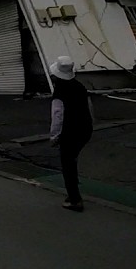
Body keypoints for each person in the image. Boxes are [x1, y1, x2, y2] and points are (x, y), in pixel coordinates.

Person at [49, 56, 93, 212]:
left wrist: (54, 137)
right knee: (72, 160)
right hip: (85, 129)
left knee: (68, 164)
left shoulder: (59, 92)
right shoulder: (80, 86)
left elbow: (57, 117)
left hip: (69, 132)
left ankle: (74, 199)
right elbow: (89, 107)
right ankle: (73, 195)